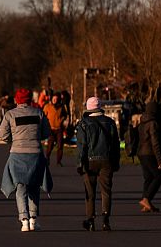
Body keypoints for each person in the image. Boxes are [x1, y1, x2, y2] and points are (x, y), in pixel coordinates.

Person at [0, 88, 52, 232]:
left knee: (20, 187)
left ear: (17, 100)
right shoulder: (39, 113)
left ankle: (24, 221)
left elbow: (3, 134)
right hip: (35, 154)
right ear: (30, 100)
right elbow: (46, 132)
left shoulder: (10, 114)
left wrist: (13, 140)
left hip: (17, 154)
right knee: (34, 186)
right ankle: (34, 220)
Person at [76, 97, 120, 231]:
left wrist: (80, 163)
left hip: (89, 161)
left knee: (90, 192)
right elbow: (116, 145)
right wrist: (116, 162)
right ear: (100, 107)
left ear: (88, 108)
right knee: (106, 191)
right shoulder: (110, 122)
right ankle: (106, 219)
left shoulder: (83, 124)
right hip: (106, 161)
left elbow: (82, 146)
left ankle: (90, 220)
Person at [138, 94, 161, 213]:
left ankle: (146, 203)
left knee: (148, 177)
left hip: (141, 153)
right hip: (150, 153)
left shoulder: (142, 122)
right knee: (159, 175)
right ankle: (147, 199)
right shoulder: (153, 123)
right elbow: (155, 142)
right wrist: (160, 160)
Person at [43, 93, 67, 166]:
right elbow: (43, 116)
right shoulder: (47, 106)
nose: (55, 100)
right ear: (51, 99)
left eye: (56, 99)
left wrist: (61, 120)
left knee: (60, 145)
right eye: (53, 99)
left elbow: (65, 115)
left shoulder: (61, 107)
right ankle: (47, 159)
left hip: (59, 129)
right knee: (50, 145)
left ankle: (59, 161)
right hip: (51, 129)